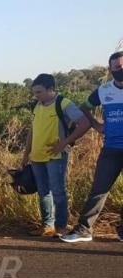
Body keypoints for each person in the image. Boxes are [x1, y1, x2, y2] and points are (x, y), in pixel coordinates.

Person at [61, 51, 123, 243]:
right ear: (111, 70)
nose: (121, 70)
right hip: (111, 148)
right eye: (117, 68)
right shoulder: (103, 91)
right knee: (99, 189)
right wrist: (96, 125)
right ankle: (83, 229)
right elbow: (84, 106)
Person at [20, 74, 90, 237]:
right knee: (43, 192)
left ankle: (61, 227)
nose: (36, 96)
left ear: (51, 89)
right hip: (37, 157)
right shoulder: (37, 105)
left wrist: (64, 143)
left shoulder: (63, 103)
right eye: (34, 92)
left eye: (39, 92)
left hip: (55, 156)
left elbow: (84, 123)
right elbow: (33, 130)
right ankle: (47, 227)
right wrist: (26, 154)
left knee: (58, 192)